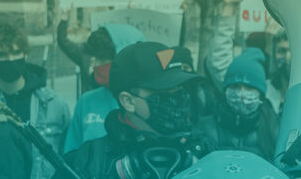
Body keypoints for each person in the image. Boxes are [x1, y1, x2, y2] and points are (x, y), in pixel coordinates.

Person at [57, 42, 215, 178]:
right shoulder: (86, 164)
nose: (177, 99)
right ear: (128, 101)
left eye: (179, 89)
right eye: (163, 91)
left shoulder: (207, 152)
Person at [0, 22, 71, 179]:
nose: (11, 59)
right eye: (2, 55)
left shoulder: (54, 104)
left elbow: (68, 156)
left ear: (25, 55)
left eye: (16, 52)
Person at [63, 23, 146, 153]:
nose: (96, 64)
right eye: (95, 57)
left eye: (102, 58)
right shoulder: (86, 102)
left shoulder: (148, 102)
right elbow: (70, 155)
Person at [208, 47, 279, 160]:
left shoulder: (274, 128)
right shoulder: (207, 127)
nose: (242, 93)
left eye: (249, 87)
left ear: (260, 94)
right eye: (235, 86)